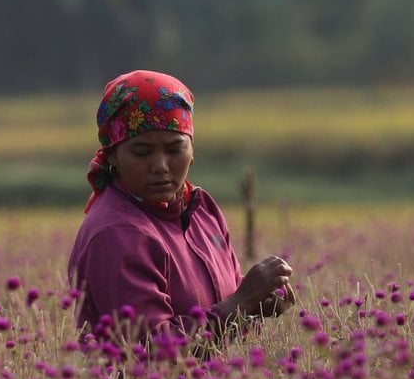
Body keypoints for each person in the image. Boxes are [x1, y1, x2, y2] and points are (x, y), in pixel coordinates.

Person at [68, 69, 296, 354]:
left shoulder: (201, 210)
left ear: (191, 148)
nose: (161, 165)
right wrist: (242, 303)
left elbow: (229, 315)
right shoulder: (118, 234)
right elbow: (149, 354)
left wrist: (260, 304)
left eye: (175, 149)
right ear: (112, 154)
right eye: (142, 152)